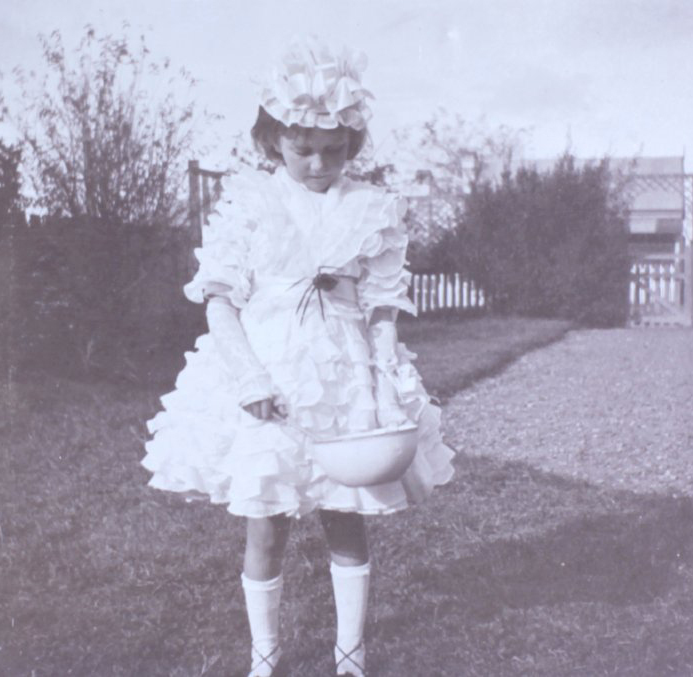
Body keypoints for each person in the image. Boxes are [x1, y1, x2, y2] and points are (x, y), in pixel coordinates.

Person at [142, 37, 454, 677]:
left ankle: (350, 657)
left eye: (332, 151)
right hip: (271, 372)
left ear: (352, 146)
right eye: (301, 148)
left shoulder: (371, 211)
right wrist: (248, 376)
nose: (317, 164)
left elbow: (383, 307)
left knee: (347, 513)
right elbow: (221, 301)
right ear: (272, 142)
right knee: (267, 520)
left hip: (345, 377)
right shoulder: (250, 203)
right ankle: (265, 659)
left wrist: (387, 377)